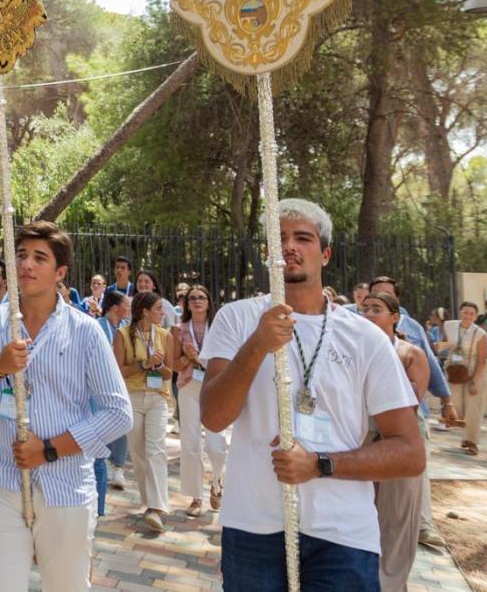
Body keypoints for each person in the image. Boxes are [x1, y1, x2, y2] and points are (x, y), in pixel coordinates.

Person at [198, 198, 423, 591]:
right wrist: (257, 345)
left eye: (303, 238)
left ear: (325, 253)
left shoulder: (365, 338)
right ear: (268, 253)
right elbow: (213, 417)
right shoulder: (236, 319)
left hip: (343, 535)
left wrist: (320, 464)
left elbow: (410, 451)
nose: (290, 247)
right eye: (279, 238)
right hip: (253, 526)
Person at [0, 221, 132, 592]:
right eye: (21, 255)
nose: (27, 265)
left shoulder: (85, 330)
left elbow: (118, 413)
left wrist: (49, 449)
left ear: (60, 272)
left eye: (40, 258)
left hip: (65, 486)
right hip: (0, 481)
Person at [366, 277, 454, 550]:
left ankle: (423, 525)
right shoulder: (358, 331)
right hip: (367, 430)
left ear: (396, 307)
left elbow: (428, 366)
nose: (370, 311)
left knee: (411, 482)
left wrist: (447, 400)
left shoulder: (412, 331)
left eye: (382, 298)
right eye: (370, 299)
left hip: (407, 423)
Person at [360, 291, 430, 592]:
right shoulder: (356, 350)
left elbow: (411, 403)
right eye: (366, 310)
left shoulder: (410, 353)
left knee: (398, 519)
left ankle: (391, 583)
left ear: (395, 317)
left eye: (377, 309)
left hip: (396, 444)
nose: (369, 315)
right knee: (364, 514)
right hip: (361, 444)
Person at [114, 290, 179, 531]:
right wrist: (143, 364)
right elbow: (118, 370)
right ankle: (148, 502)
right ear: (145, 312)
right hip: (131, 397)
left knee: (156, 449)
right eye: (159, 309)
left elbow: (169, 373)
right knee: (139, 453)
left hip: (157, 398)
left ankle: (157, 507)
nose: (163, 313)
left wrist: (159, 365)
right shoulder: (122, 335)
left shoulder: (166, 336)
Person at [173, 284, 228, 516]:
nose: (196, 301)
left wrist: (200, 358)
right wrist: (187, 357)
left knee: (216, 445)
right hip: (188, 387)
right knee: (191, 444)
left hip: (214, 386)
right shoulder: (178, 330)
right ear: (186, 303)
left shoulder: (219, 328)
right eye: (192, 298)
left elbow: (226, 360)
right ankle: (196, 497)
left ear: (208, 302)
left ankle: (217, 482)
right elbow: (173, 366)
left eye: (201, 297)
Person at [440, 301, 487, 456]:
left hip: (477, 369)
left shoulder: (481, 334)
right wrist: (441, 346)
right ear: (460, 312)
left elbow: (482, 359)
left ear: (475, 316)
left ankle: (472, 442)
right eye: (465, 312)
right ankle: (464, 432)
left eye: (471, 313)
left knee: (473, 405)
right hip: (455, 367)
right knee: (455, 402)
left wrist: (474, 381)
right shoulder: (449, 325)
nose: (467, 316)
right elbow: (446, 343)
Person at [98, 289, 131, 491]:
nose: (130, 308)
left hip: (121, 383)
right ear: (115, 308)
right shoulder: (97, 326)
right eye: (127, 304)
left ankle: (118, 466)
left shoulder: (127, 327)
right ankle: (105, 463)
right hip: (99, 385)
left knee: (122, 423)